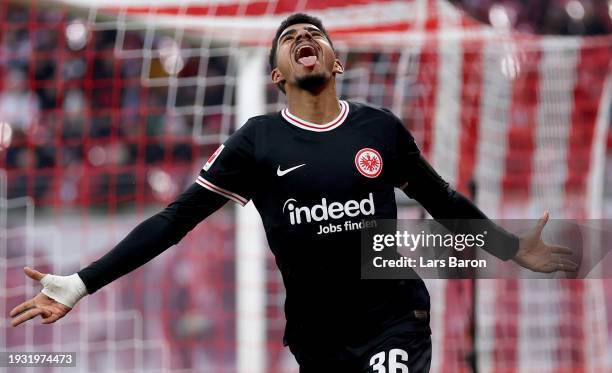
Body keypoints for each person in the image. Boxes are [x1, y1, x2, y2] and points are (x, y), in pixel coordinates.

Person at [10, 13, 577, 373]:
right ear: (277, 74)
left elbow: (442, 200)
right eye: (289, 38)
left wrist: (511, 247)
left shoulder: (379, 129)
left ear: (336, 61)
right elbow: (173, 221)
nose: (302, 37)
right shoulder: (256, 142)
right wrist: (83, 282)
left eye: (314, 34)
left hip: (393, 318)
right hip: (316, 338)